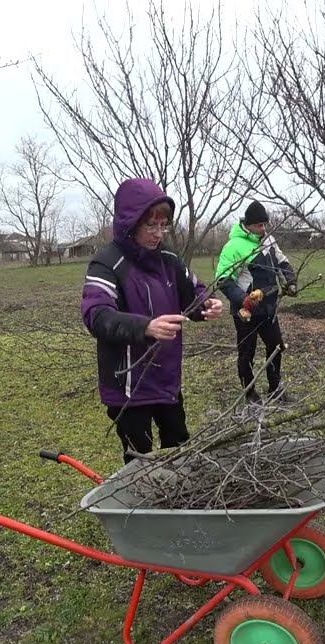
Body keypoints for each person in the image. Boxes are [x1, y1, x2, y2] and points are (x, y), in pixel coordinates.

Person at [81, 178, 224, 464]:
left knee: (179, 450)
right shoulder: (107, 264)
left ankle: (180, 506)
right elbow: (96, 315)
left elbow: (193, 292)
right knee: (139, 462)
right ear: (129, 222)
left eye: (164, 225)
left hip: (166, 379)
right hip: (129, 386)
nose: (159, 233)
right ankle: (144, 507)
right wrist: (146, 327)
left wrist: (206, 304)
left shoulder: (168, 258)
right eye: (151, 225)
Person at [215, 200, 298, 404]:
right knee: (247, 353)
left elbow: (281, 261)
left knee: (276, 346)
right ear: (249, 225)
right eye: (259, 225)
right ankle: (250, 393)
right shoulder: (233, 246)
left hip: (269, 307)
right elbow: (223, 279)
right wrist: (242, 300)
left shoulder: (268, 240)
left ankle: (275, 387)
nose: (263, 229)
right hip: (246, 311)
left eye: (265, 224)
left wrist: (290, 280)